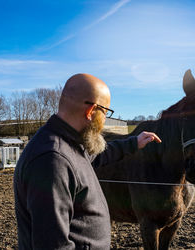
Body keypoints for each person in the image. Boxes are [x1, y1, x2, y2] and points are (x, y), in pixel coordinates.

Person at [14, 73, 161, 250]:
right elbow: (53, 245)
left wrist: (134, 143)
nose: (105, 118)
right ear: (90, 111)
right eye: (106, 112)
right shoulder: (52, 160)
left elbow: (96, 156)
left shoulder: (70, 144)